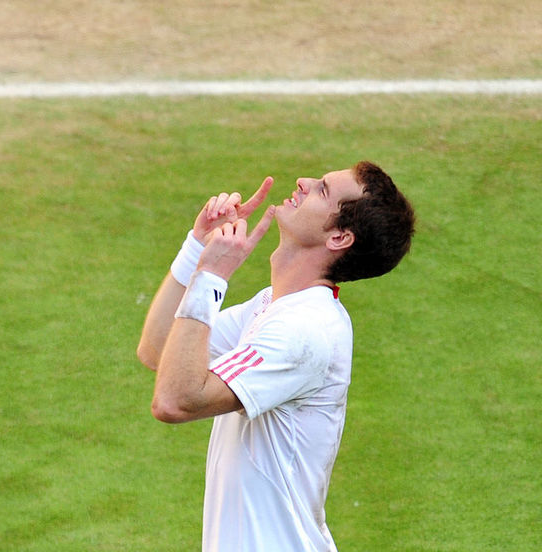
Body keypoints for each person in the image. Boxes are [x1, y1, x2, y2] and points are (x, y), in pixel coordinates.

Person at [136, 161, 415, 552]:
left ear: (338, 237)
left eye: (322, 190)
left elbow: (174, 401)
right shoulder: (274, 306)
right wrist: (197, 248)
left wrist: (213, 278)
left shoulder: (304, 330)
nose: (303, 181)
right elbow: (158, 349)